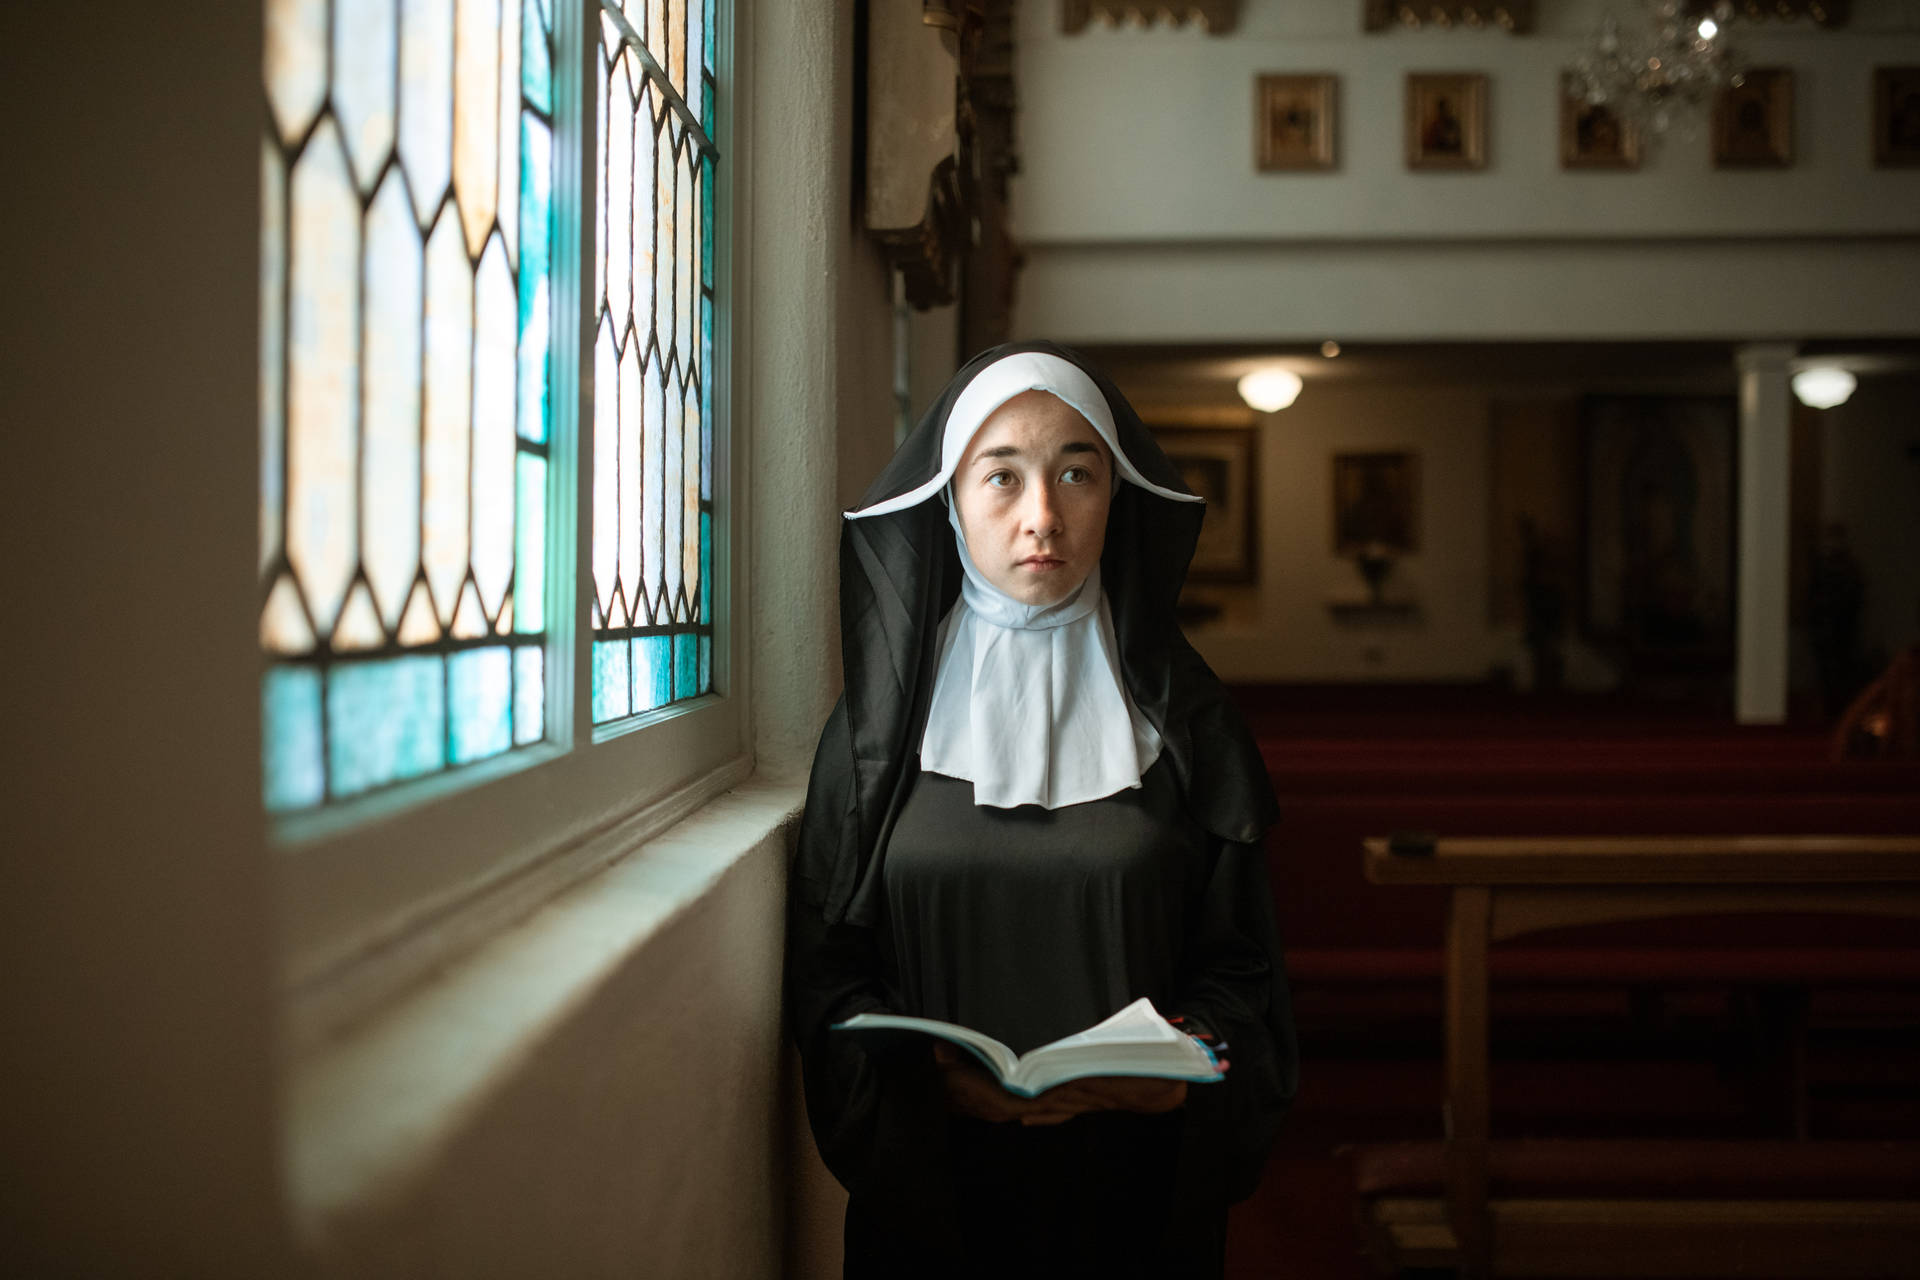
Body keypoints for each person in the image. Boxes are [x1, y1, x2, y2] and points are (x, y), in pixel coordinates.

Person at [787, 342, 1297, 1278]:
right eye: (1002, 476)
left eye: (1076, 473)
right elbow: (828, 976)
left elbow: (1245, 975)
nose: (1043, 516)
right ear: (949, 501)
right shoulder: (872, 736)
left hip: (1139, 1197)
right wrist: (919, 1083)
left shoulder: (1194, 725)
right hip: (935, 1197)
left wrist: (1190, 1074)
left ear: (1119, 497)